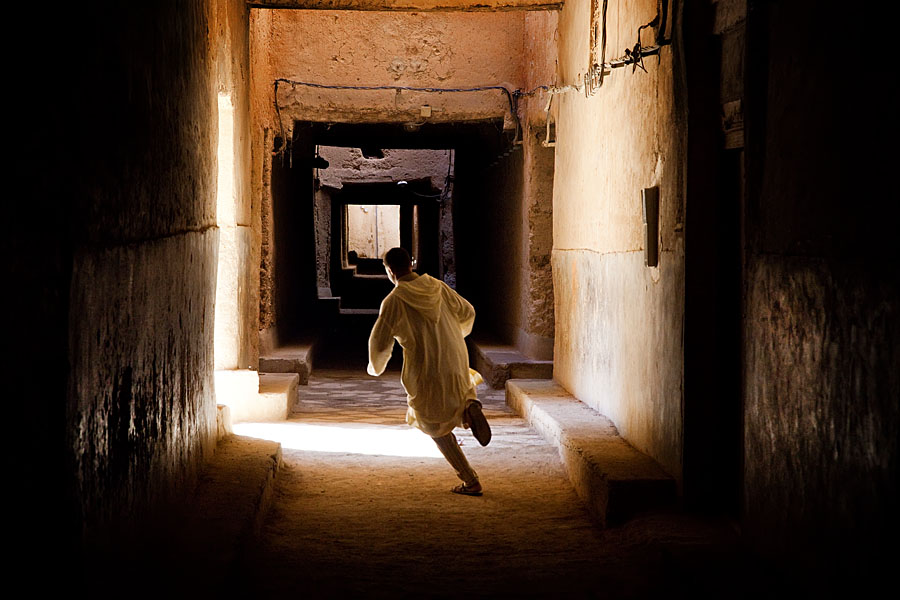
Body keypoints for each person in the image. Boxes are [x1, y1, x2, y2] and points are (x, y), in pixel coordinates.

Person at [367, 247, 491, 496]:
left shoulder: (394, 300)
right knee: (460, 386)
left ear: (390, 271)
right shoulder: (438, 286)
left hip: (425, 368)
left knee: (433, 423)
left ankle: (470, 480)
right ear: (411, 264)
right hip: (455, 356)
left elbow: (379, 343)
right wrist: (456, 333)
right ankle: (470, 404)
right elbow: (468, 312)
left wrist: (375, 367)